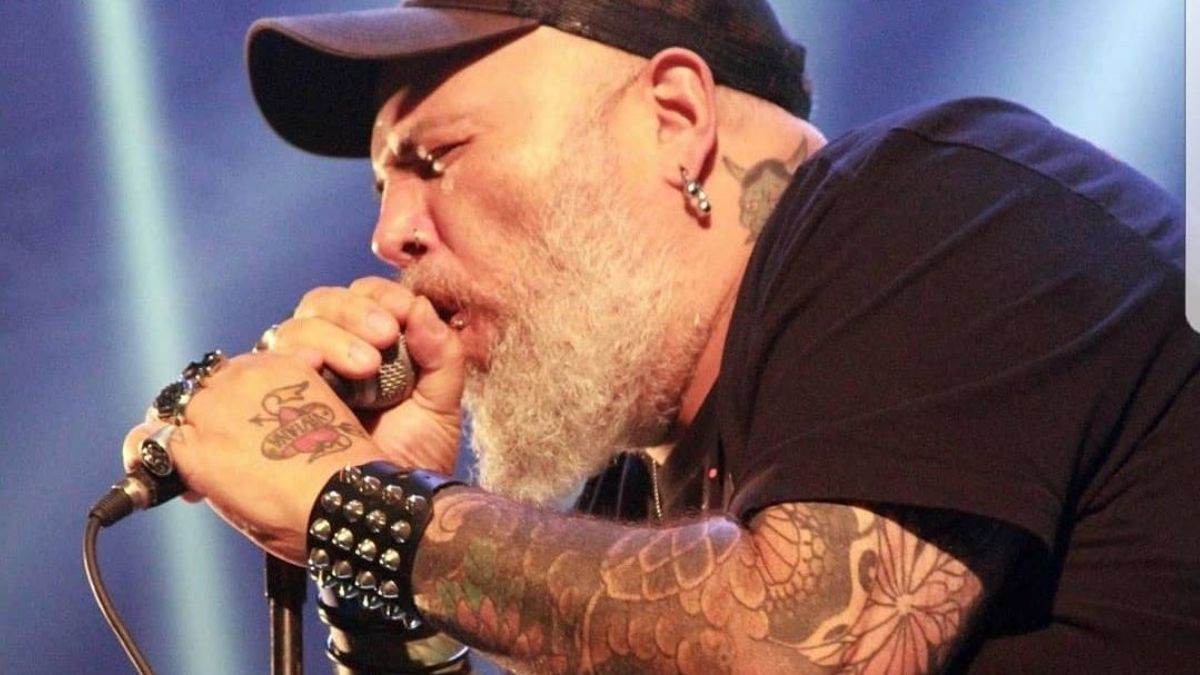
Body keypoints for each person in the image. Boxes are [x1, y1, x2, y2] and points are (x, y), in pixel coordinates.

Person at [123, 1, 1200, 672]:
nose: (391, 232)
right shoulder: (631, 504)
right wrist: (380, 590)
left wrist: (356, 504)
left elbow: (799, 651)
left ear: (676, 118)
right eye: (382, 186)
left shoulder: (949, 200)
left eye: (436, 159)